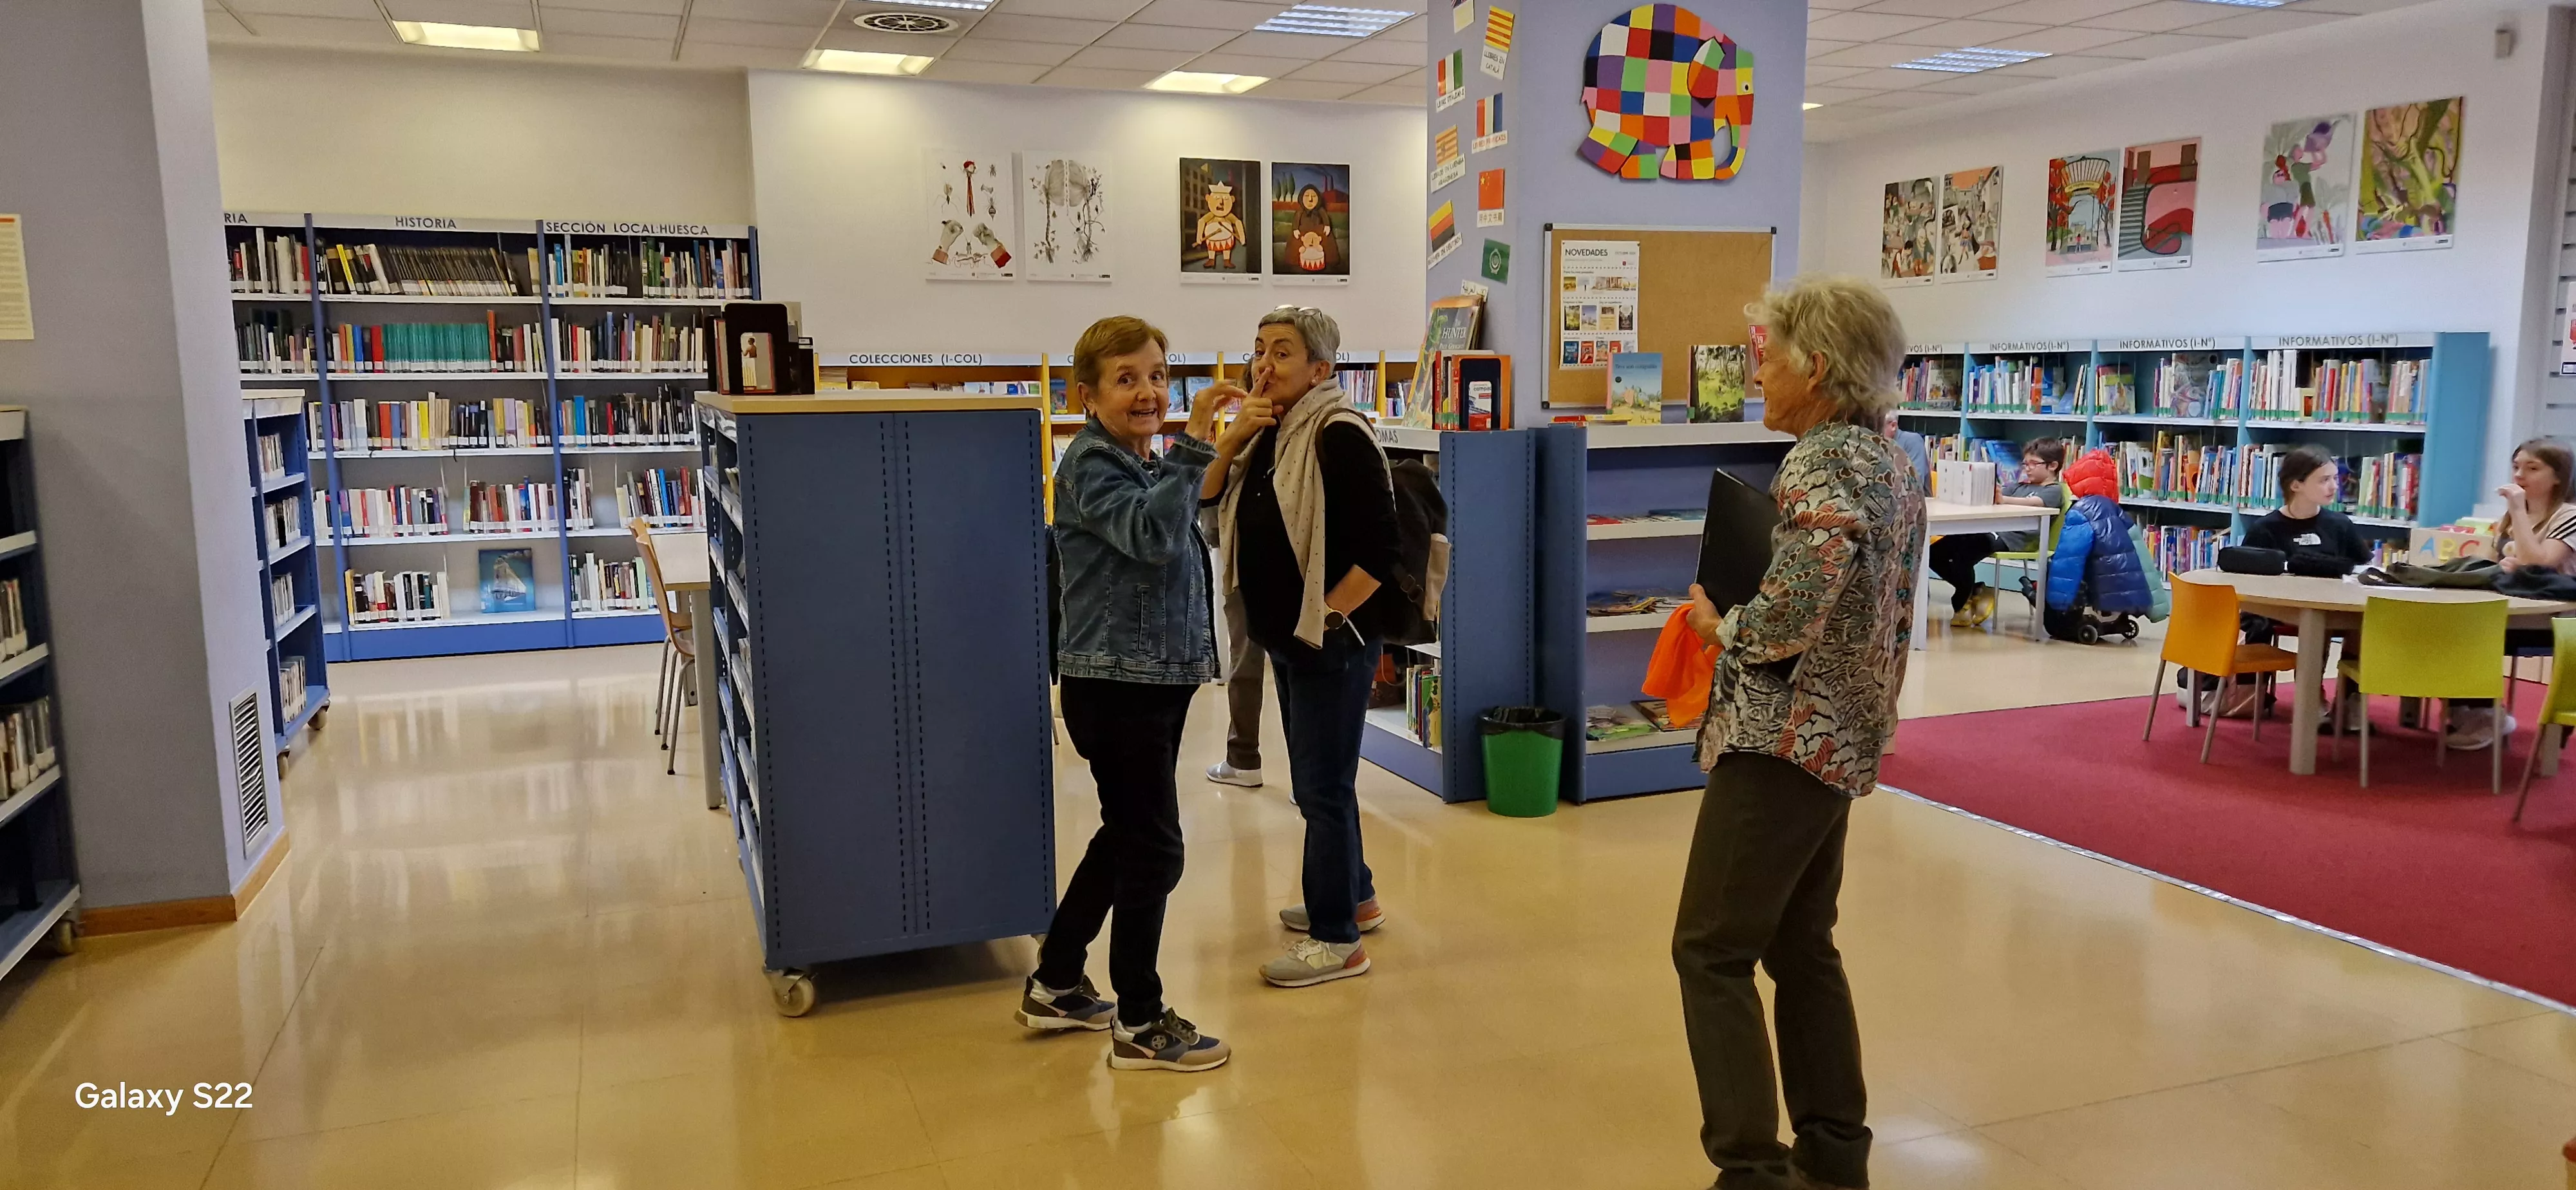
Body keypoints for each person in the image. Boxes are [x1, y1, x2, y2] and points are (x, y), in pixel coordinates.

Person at [1674, 276, 1924, 1190]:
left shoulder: (1819, 463)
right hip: (1844, 738)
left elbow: (1789, 615)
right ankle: (1833, 1154)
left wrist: (1721, 627)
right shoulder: (1895, 460)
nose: (1757, 373)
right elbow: (1887, 613)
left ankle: (1751, 1169)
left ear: (1815, 367)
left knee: (1710, 947)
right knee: (1802, 943)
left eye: (1767, 357)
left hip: (1781, 739)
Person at [1017, 315, 1233, 1074]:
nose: (1148, 392)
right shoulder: (1090, 465)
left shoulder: (1143, 460)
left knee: (1124, 837)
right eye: (1126, 379)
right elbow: (1153, 539)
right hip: (1114, 687)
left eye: (1157, 376)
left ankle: (1056, 979)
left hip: (1152, 680)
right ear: (1087, 395)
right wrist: (1198, 443)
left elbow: (1174, 541)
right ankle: (1139, 1021)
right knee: (1154, 851)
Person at [1203, 305, 1399, 988]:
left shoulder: (1337, 433)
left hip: (1325, 641)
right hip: (1286, 636)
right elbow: (1209, 508)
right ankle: (1356, 896)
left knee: (1321, 789)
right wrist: (1228, 440)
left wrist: (1330, 617)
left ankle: (1336, 939)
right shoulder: (1270, 431)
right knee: (1322, 781)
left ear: (1321, 369)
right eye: (1258, 350)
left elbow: (1381, 550)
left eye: (1281, 353)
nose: (1264, 365)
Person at [2447, 439, 2576, 750]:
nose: (2519, 475)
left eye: (2532, 468)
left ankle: (2486, 714)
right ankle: (2470, 709)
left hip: (2550, 620)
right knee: (2447, 625)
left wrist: (2518, 511)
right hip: (2507, 611)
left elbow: (2539, 561)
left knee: (2472, 632)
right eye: (2516, 467)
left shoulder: (2568, 515)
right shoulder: (2509, 518)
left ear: (2558, 476)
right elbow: (2487, 565)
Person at [1926, 437, 2065, 627]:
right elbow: (2000, 496)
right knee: (1934, 553)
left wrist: (2004, 499)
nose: (2028, 468)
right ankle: (1976, 591)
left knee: (1964, 555)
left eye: (2034, 464)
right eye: (2025, 463)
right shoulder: (2020, 486)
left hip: (2012, 539)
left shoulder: (2054, 490)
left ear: (2053, 466)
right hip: (1989, 529)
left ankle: (1960, 604)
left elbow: (2034, 504)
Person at [2241, 447, 2371, 576]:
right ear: (2296, 486)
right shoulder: (2264, 529)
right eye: (2324, 480)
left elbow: (2363, 571)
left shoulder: (2341, 525)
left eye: (2335, 478)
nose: (2334, 487)